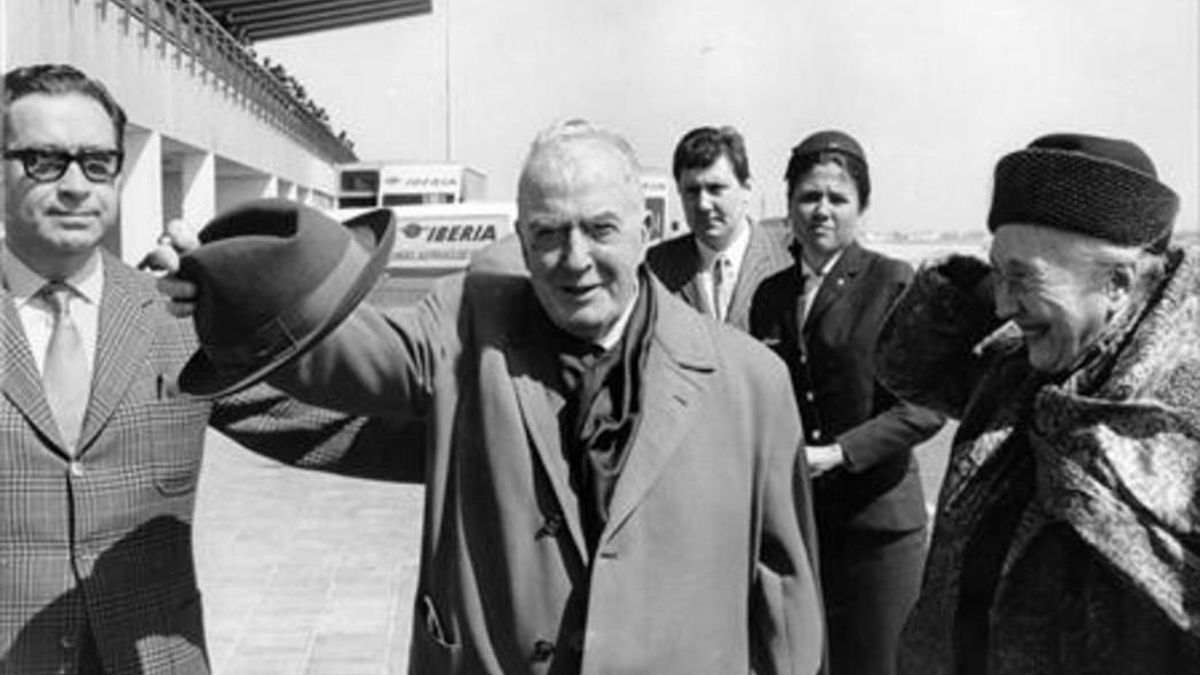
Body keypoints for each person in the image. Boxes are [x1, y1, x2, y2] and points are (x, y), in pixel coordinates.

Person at [163, 119, 825, 675]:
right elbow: (343, 353)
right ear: (519, 233)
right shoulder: (463, 323)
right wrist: (233, 290)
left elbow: (786, 587)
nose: (574, 259)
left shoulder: (751, 381)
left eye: (599, 229)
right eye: (548, 233)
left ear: (645, 226)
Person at [0, 63, 400, 674]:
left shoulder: (178, 317)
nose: (77, 185)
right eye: (45, 161)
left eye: (98, 162)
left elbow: (338, 428)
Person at [876, 133, 1200, 674]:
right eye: (997, 274)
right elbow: (907, 367)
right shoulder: (1018, 365)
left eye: (1023, 278)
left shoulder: (1181, 402)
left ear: (1118, 281)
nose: (1003, 304)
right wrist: (988, 285)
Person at [750, 130, 944, 675]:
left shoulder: (892, 282)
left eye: (838, 199)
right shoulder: (771, 295)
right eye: (809, 197)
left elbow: (924, 407)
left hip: (879, 532)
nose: (822, 211)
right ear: (788, 205)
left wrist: (841, 452)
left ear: (862, 205)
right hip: (805, 527)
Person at [646, 125, 790, 331]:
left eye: (715, 189)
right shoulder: (658, 266)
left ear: (746, 189)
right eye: (692, 191)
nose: (703, 204)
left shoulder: (785, 259)